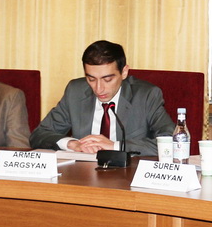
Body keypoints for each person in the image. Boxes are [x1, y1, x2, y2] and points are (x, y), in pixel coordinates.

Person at [30, 40, 172, 155]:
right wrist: (72, 144)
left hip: (127, 175)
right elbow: (39, 135)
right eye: (91, 79)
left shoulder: (146, 95)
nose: (99, 89)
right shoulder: (75, 91)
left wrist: (115, 146)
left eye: (107, 79)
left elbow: (171, 142)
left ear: (124, 72)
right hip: (83, 174)